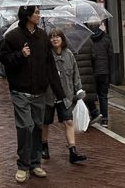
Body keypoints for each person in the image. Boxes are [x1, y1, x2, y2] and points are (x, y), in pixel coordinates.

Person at [0, 6, 65, 184]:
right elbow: (3, 59)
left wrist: (59, 92)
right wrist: (20, 55)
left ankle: (36, 163)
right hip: (20, 91)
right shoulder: (12, 37)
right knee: (25, 127)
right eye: (36, 12)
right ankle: (22, 165)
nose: (39, 15)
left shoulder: (43, 36)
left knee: (37, 126)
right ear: (27, 15)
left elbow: (50, 65)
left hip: (40, 92)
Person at [41, 29, 87, 164]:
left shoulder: (69, 55)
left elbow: (75, 74)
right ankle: (44, 147)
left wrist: (79, 90)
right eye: (52, 37)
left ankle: (73, 150)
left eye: (57, 37)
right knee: (45, 122)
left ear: (62, 39)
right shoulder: (46, 56)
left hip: (65, 95)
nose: (55, 39)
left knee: (69, 121)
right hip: (48, 95)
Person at [88, 20, 114, 127]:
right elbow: (111, 56)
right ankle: (104, 119)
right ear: (99, 25)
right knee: (103, 96)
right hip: (104, 71)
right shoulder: (106, 37)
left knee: (89, 95)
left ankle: (93, 113)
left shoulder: (87, 38)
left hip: (91, 71)